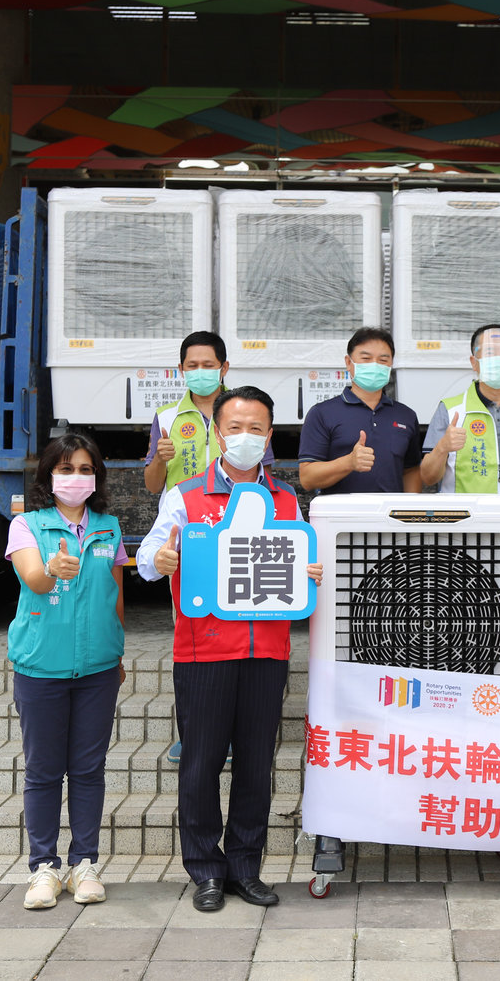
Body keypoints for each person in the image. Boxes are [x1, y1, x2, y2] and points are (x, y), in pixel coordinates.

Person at [138, 386, 322, 912]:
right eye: (235, 427)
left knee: (256, 765)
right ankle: (205, 871)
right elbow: (147, 557)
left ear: (270, 436)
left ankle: (245, 867)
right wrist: (162, 560)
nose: (245, 437)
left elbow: (299, 566)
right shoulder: (186, 496)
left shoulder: (285, 500)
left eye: (256, 429)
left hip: (267, 652)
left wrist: (310, 571)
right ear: (218, 434)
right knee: (200, 764)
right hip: (203, 652)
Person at [5, 430, 126, 910]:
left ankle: (84, 864)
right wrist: (53, 568)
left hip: (98, 668)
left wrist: (117, 653)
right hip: (41, 667)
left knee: (89, 769)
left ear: (97, 477)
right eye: (66, 469)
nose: (76, 477)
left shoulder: (109, 527)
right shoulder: (27, 526)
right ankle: (43, 868)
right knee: (43, 771)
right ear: (48, 475)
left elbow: (115, 594)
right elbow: (34, 579)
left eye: (85, 469)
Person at [420, 323, 500, 496]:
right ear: (474, 362)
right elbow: (428, 478)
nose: (498, 359)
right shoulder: (450, 410)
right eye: (490, 352)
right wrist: (442, 447)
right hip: (466, 512)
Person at [298, 327, 423, 495]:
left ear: (391, 364)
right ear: (349, 363)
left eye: (383, 360)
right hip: (342, 512)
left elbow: (411, 470)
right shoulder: (322, 413)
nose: (375, 365)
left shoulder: (406, 416)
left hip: (390, 511)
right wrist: (349, 462)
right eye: (366, 358)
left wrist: (409, 508)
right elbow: (307, 478)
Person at [144, 330, 272, 494]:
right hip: (182, 509)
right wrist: (160, 459)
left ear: (224, 368)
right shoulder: (165, 416)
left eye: (208, 365)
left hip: (233, 508)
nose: (200, 371)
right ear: (181, 369)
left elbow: (264, 478)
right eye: (192, 366)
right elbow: (153, 487)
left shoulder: (249, 411)